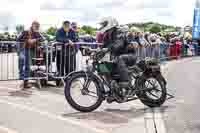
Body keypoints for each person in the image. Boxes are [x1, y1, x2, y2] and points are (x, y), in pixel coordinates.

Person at [98, 17, 137, 89]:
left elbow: (118, 45)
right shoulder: (107, 35)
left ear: (110, 23)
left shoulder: (119, 32)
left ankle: (126, 81)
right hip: (117, 56)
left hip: (129, 55)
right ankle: (113, 88)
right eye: (103, 24)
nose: (103, 26)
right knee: (103, 65)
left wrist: (107, 49)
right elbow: (104, 46)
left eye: (104, 24)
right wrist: (96, 51)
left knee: (120, 58)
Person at [17, 21, 44, 89]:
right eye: (36, 26)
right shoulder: (26, 31)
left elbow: (42, 39)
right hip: (22, 49)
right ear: (32, 25)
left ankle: (25, 82)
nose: (37, 27)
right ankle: (22, 79)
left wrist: (36, 41)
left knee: (28, 66)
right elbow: (23, 40)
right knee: (22, 65)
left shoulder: (37, 32)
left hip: (29, 50)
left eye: (38, 26)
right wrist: (31, 40)